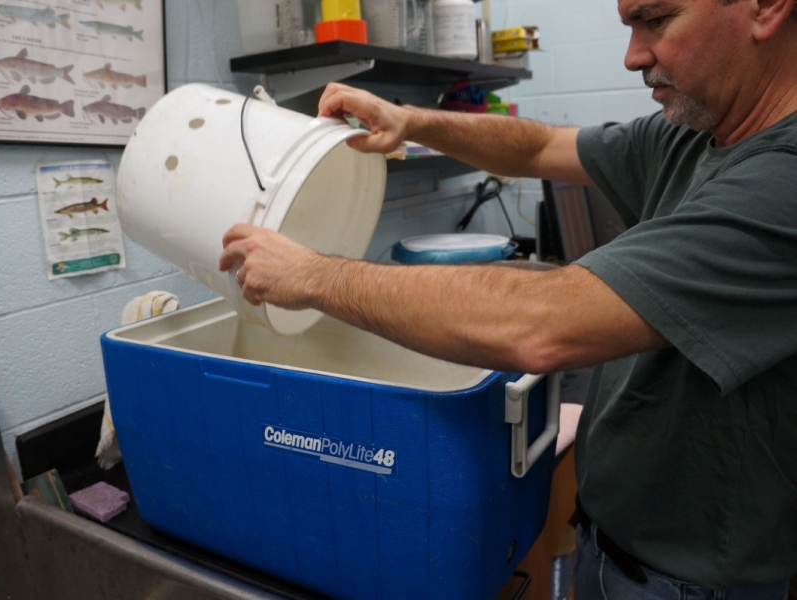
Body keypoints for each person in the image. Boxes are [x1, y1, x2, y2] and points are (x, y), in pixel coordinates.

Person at [220, 0, 797, 596]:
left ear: (765, 8)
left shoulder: (783, 180)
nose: (632, 57)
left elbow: (541, 325)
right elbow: (537, 147)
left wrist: (316, 276)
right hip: (612, 546)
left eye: (656, 20)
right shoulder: (700, 133)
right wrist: (411, 121)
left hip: (690, 582)